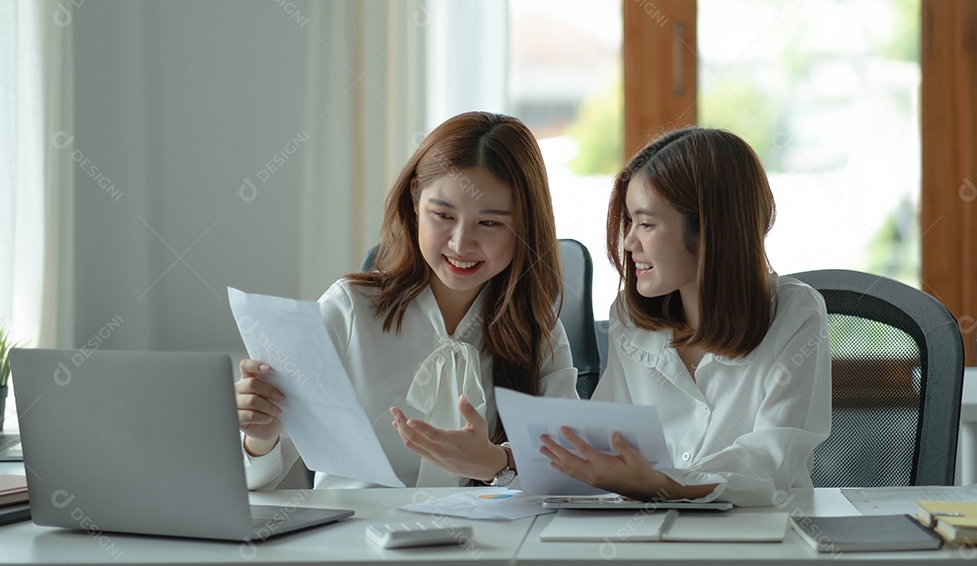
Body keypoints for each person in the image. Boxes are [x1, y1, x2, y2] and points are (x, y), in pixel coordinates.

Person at [236, 111, 578, 490]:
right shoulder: (350, 309)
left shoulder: (537, 330)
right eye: (443, 215)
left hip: (477, 529)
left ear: (525, 225)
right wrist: (260, 438)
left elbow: (570, 470)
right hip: (355, 527)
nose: (461, 243)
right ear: (415, 202)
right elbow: (255, 481)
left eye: (489, 223)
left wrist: (497, 463)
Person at [539, 128, 831, 507]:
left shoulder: (795, 314)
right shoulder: (629, 317)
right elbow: (607, 439)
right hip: (646, 527)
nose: (628, 242)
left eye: (646, 224)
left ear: (711, 230)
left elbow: (771, 462)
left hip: (759, 528)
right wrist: (507, 458)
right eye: (628, 221)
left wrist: (665, 484)